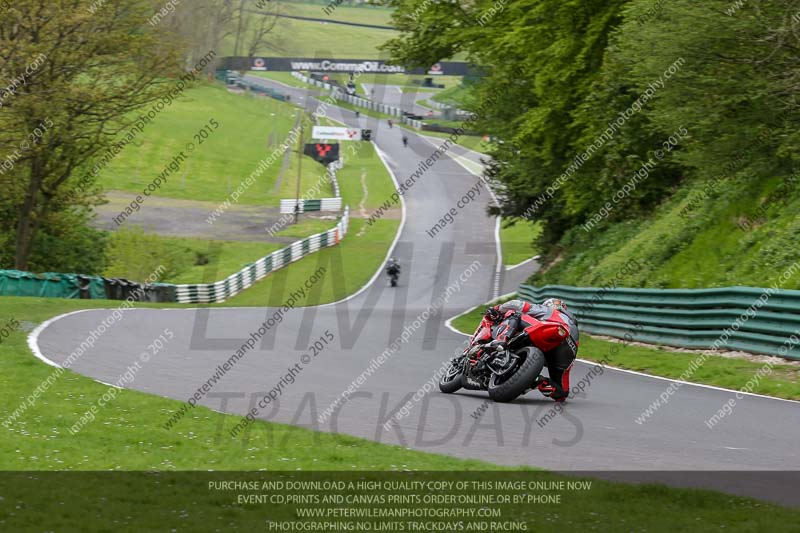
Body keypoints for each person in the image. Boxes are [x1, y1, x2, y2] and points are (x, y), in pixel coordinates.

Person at [484, 298, 578, 402]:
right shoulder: (573, 326)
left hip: (551, 330)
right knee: (562, 392)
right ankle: (540, 381)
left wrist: (498, 309)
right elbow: (568, 366)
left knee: (515, 314)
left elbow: (517, 304)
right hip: (568, 352)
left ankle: (502, 340)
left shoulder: (549, 311)